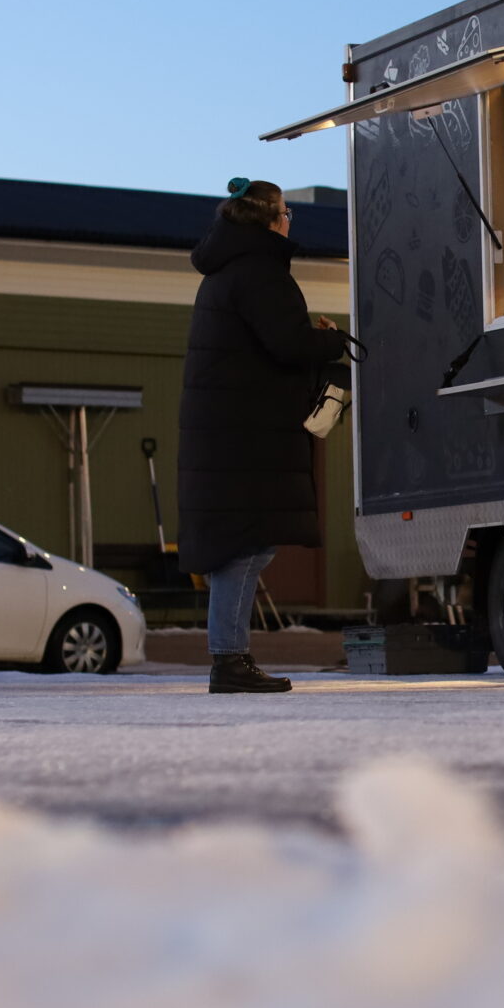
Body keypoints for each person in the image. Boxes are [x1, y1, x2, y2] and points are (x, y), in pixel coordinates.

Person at [179, 178, 346, 696]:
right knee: (246, 546)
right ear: (273, 219)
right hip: (246, 437)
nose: (292, 219)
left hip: (229, 434)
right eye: (287, 212)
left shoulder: (228, 270)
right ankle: (229, 659)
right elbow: (287, 342)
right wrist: (331, 340)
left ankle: (230, 656)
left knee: (244, 545)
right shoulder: (259, 271)